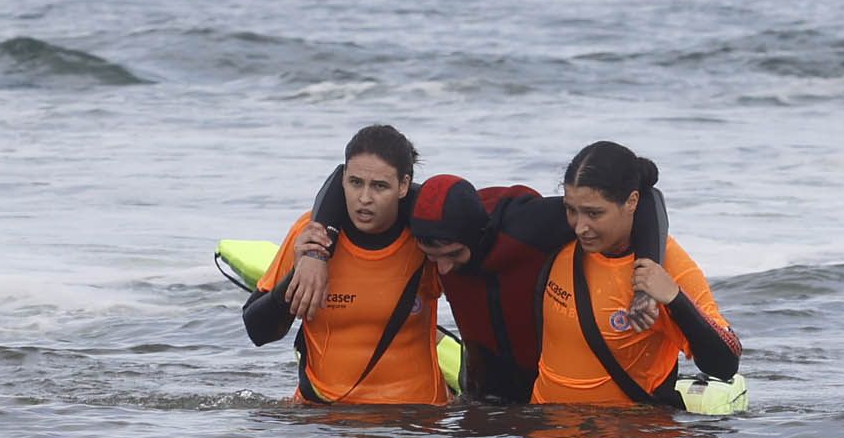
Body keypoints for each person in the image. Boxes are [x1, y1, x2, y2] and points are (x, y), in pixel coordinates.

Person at [288, 169, 665, 404]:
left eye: (453, 255)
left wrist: (646, 283)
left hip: (541, 395)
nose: (442, 268)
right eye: (432, 256)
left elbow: (646, 192)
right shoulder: (424, 211)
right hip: (480, 395)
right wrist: (316, 256)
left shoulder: (530, 224)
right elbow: (343, 177)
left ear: (479, 235)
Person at [241, 125, 447, 405]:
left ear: (403, 186)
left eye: (380, 186)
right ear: (342, 181)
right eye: (355, 182)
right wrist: (298, 276)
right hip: (326, 420)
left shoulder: (425, 238)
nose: (364, 198)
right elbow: (259, 332)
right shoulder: (311, 236)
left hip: (414, 419)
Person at [532, 141, 741, 407]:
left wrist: (676, 299)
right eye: (571, 210)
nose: (580, 227)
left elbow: (725, 362)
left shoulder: (666, 265)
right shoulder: (560, 239)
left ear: (631, 202)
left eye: (595, 213)